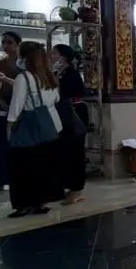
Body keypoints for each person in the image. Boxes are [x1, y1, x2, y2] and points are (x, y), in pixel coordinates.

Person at [6, 42, 64, 217]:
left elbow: (16, 107)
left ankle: (23, 204)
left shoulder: (23, 78)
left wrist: (9, 128)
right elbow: (56, 99)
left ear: (25, 57)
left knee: (22, 168)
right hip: (51, 127)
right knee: (43, 167)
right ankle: (40, 202)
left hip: (30, 128)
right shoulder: (49, 76)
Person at [51, 44, 88, 205]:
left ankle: (77, 189)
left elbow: (62, 92)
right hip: (63, 112)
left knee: (75, 151)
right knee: (64, 151)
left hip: (74, 113)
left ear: (63, 57)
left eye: (54, 53)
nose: (51, 55)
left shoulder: (71, 73)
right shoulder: (60, 73)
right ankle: (68, 185)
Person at [0, 31, 21, 194]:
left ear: (17, 44)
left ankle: (20, 180)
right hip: (5, 103)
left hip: (22, 103)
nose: (6, 46)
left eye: (9, 42)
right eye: (3, 43)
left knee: (21, 143)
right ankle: (0, 181)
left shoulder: (25, 63)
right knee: (2, 144)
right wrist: (2, 104)